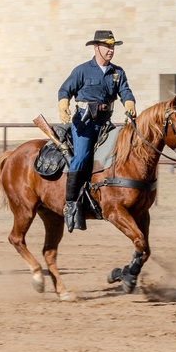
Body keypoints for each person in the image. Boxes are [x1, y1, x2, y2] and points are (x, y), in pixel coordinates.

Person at [57, 30, 137, 232]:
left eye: (113, 47)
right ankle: (71, 203)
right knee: (82, 156)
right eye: (107, 47)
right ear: (96, 48)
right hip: (84, 123)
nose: (111, 50)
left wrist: (129, 103)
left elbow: (125, 90)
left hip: (105, 124)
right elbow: (65, 90)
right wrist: (63, 104)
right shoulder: (82, 70)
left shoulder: (118, 72)